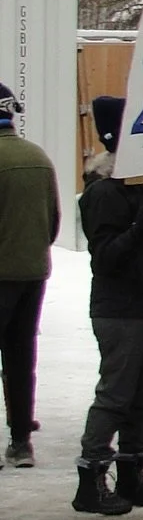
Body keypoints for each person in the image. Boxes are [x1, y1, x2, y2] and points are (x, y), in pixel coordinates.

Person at [73, 97, 143, 514]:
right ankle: (91, 477)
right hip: (121, 310)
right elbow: (106, 257)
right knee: (116, 394)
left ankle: (133, 472)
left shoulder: (141, 187)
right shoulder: (104, 193)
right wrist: (139, 229)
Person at [0, 81, 59, 471]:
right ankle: (21, 441)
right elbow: (53, 222)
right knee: (21, 357)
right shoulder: (38, 156)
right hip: (33, 272)